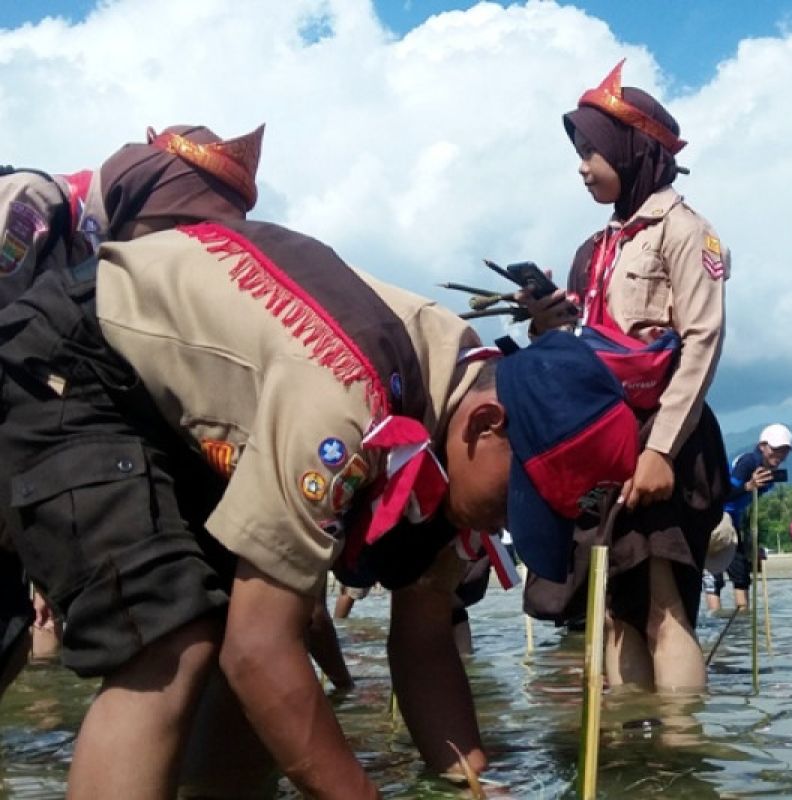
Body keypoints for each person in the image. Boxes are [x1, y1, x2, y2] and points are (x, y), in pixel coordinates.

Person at [0, 219, 639, 797]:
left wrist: (472, 781)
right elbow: (258, 651)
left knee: (241, 665)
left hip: (186, 413)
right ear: (485, 426)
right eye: (512, 502)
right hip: (79, 363)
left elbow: (423, 641)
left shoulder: (455, 399)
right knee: (171, 641)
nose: (503, 524)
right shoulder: (347, 407)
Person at [0, 122, 265, 697]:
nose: (182, 254)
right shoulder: (32, 208)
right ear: (140, 201)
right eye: (175, 230)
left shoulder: (109, 267)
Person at [520, 60, 730, 692]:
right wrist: (546, 322)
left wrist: (661, 449)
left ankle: (681, 764)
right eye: (579, 152)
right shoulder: (594, 248)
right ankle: (635, 762)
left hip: (663, 438)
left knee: (665, 607)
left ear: (632, 150)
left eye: (592, 152)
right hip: (601, 445)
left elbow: (703, 340)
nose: (582, 166)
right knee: (613, 612)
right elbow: (577, 352)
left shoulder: (686, 233)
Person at [705, 424, 792, 611]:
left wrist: (753, 543)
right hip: (716, 515)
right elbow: (722, 494)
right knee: (714, 574)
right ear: (762, 446)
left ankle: (742, 619)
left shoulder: (769, 474)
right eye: (775, 450)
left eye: (784, 451)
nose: (779, 455)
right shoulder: (747, 462)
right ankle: (715, 616)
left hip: (735, 519)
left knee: (741, 573)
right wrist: (748, 485)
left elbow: (747, 507)